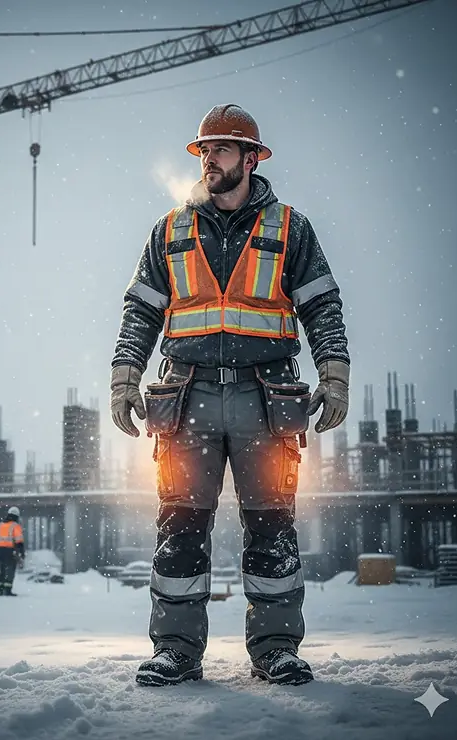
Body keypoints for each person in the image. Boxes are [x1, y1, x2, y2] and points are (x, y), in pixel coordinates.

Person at [110, 104, 350, 687]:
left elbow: (322, 305)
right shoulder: (169, 230)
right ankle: (176, 650)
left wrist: (335, 374)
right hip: (185, 398)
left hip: (265, 401)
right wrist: (124, 377)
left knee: (272, 529)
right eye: (204, 151)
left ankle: (274, 649)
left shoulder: (290, 229)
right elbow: (141, 310)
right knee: (180, 528)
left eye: (220, 149)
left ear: (251, 158)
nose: (209, 159)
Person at [0, 505, 25, 596]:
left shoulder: (0, 525)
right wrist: (21, 552)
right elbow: (19, 540)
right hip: (10, 551)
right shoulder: (15, 526)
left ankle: (0, 589)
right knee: (10, 570)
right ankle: (8, 590)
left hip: (0, 550)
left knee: (2, 570)